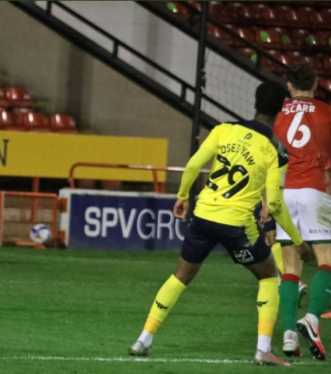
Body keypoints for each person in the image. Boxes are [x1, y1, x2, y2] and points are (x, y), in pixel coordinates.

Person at [129, 81, 310, 366]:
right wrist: (298, 241)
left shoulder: (224, 129)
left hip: (203, 214)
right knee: (268, 277)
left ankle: (143, 339)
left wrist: (182, 196)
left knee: (180, 276)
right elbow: (274, 204)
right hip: (237, 223)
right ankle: (263, 350)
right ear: (281, 109)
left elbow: (192, 166)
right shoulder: (277, 150)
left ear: (254, 104)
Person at [272, 61, 331, 360]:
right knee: (326, 261)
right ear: (317, 82)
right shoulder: (326, 113)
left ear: (289, 86)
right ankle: (311, 319)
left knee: (290, 267)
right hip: (313, 188)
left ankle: (287, 336)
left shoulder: (279, 116)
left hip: (285, 192)